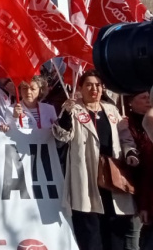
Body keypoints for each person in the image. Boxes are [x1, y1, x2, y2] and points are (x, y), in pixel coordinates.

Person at [54, 72, 138, 250]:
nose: (94, 89)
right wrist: (66, 115)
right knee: (90, 233)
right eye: (89, 85)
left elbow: (125, 137)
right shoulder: (74, 109)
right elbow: (61, 137)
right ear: (80, 88)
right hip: (87, 176)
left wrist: (130, 153)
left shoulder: (111, 110)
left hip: (112, 177)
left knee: (115, 234)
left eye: (98, 85)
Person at [126, 92, 153, 250]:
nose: (148, 100)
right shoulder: (125, 124)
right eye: (144, 97)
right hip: (134, 189)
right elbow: (146, 173)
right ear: (130, 101)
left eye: (150, 97)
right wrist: (144, 205)